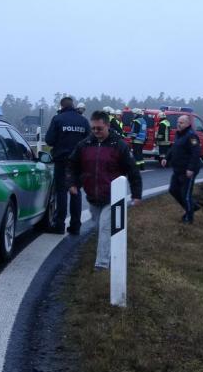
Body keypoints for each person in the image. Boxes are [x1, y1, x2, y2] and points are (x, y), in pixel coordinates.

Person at [67, 111, 142, 270]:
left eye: (99, 128)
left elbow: (132, 170)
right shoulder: (84, 145)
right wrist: (72, 183)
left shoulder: (119, 145)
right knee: (99, 228)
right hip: (93, 196)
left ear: (107, 125)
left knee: (105, 227)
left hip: (113, 197)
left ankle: (101, 264)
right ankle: (112, 251)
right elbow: (72, 165)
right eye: (93, 128)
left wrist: (136, 194)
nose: (96, 131)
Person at [45, 96, 90, 235]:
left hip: (62, 161)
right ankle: (75, 226)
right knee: (76, 192)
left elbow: (49, 140)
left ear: (61, 106)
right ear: (73, 105)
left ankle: (59, 225)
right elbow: (89, 141)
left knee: (61, 192)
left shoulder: (58, 119)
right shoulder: (83, 120)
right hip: (78, 162)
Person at [160, 115, 202, 224]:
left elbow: (196, 152)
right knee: (173, 190)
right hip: (178, 169)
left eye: (181, 122)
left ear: (188, 124)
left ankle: (189, 217)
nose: (178, 124)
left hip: (188, 170)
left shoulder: (191, 136)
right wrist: (166, 158)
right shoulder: (179, 134)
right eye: (178, 122)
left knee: (185, 194)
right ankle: (192, 207)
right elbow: (174, 148)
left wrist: (191, 168)